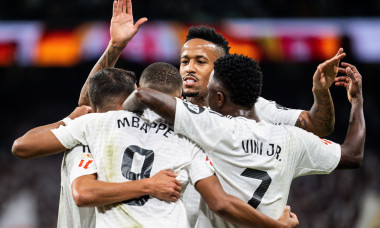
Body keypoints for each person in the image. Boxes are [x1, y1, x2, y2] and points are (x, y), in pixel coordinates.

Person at [12, 64, 299, 228]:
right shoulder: (189, 139)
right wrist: (275, 225)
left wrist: (71, 117)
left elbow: (22, 147)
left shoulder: (95, 127)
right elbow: (221, 202)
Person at [123, 55, 365, 227]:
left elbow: (143, 95)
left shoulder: (212, 126)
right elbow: (353, 155)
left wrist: (122, 119)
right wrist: (356, 101)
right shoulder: (293, 139)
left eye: (209, 93)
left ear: (218, 98)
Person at [12, 68, 184, 227]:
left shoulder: (86, 128)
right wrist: (149, 185)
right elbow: (84, 192)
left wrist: (68, 120)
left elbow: (21, 145)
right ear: (128, 101)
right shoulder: (87, 139)